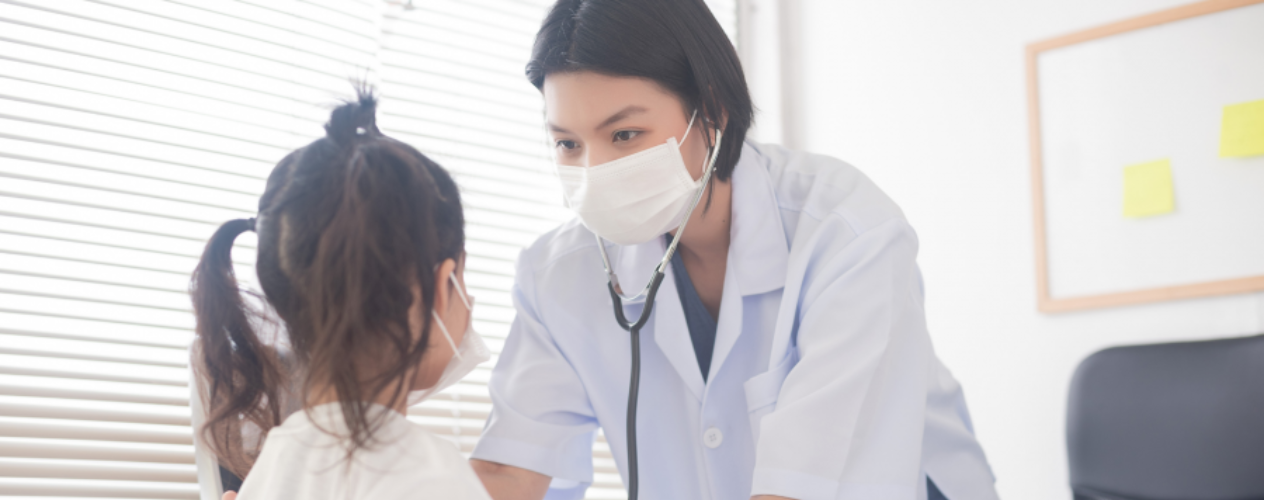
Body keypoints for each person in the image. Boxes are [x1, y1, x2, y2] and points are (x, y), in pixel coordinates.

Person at [468, 1, 999, 500]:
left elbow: (805, 483)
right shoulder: (555, 274)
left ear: (712, 109)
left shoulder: (848, 234)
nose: (594, 171)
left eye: (625, 134)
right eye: (567, 143)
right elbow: (513, 467)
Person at [189, 90, 492, 500]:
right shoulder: (433, 476)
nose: (469, 303)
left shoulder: (273, 462)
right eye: (463, 283)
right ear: (441, 288)